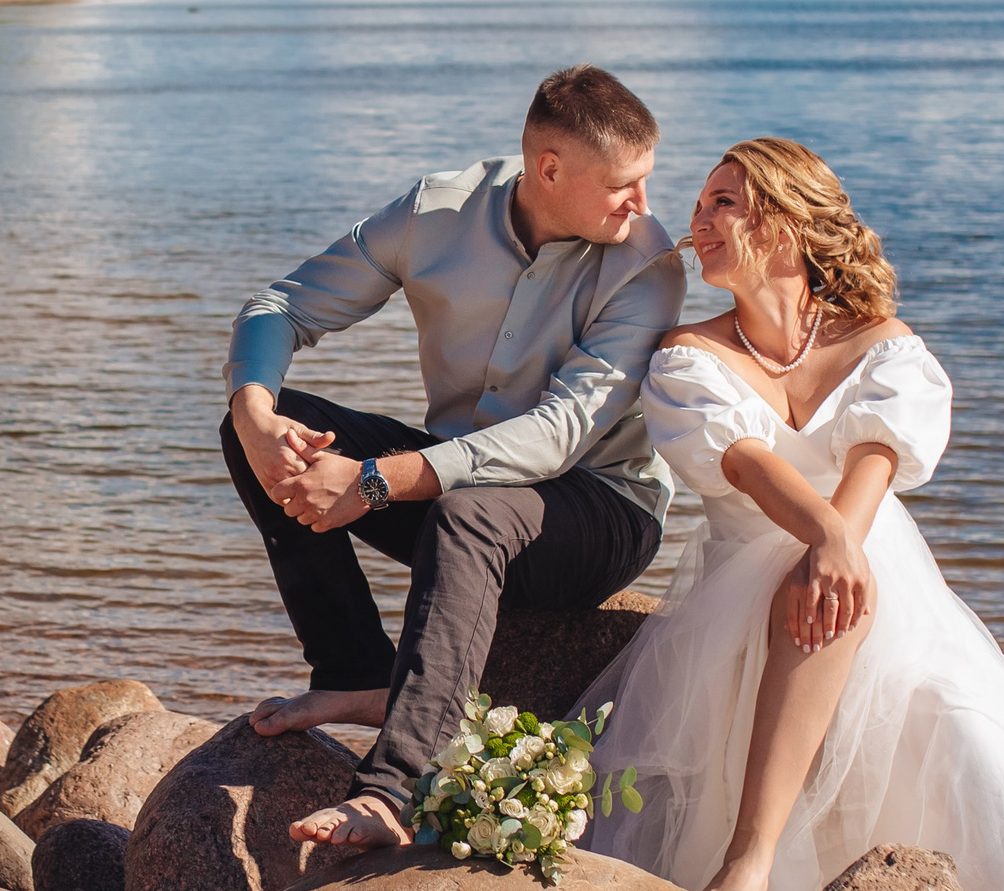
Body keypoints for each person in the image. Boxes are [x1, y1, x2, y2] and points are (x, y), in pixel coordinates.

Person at [585, 137, 1004, 891]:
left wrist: (839, 542)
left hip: (877, 577)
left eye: (723, 202)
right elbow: (745, 464)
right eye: (699, 203)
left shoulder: (883, 346)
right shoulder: (688, 353)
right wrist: (827, 540)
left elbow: (875, 464)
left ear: (787, 224)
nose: (698, 220)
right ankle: (750, 865)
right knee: (822, 575)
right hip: (746, 601)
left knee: (953, 719)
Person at [222, 67, 687, 848]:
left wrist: (372, 481)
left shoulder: (646, 261)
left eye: (646, 180)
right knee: (274, 428)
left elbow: (560, 432)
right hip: (458, 478)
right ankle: (356, 672)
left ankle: (394, 789)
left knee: (468, 512)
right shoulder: (436, 211)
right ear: (549, 168)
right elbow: (282, 304)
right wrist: (254, 411)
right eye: (624, 185)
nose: (643, 203)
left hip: (602, 506)